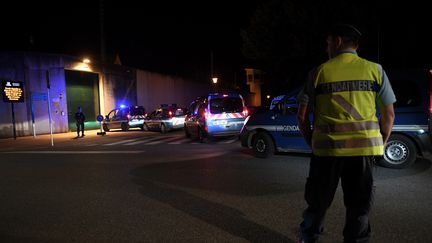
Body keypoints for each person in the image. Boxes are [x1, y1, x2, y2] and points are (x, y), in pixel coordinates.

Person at [296, 24, 396, 243]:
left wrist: (311, 141)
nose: (326, 48)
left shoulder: (318, 72)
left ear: (338, 41)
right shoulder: (375, 70)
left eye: (328, 43)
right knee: (359, 206)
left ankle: (309, 238)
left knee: (318, 203)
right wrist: (379, 144)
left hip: (326, 152)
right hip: (363, 152)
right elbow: (388, 115)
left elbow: (301, 116)